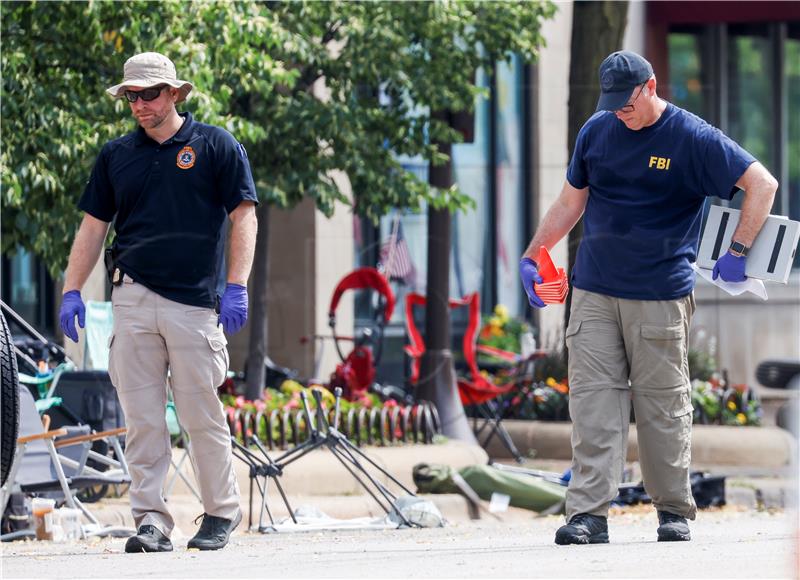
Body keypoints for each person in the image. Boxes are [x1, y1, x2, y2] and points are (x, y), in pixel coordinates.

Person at [519, 50, 777, 545]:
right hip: (593, 289)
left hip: (660, 294)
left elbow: (761, 185)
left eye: (627, 101)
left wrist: (738, 251)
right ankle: (588, 516)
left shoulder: (692, 138)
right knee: (593, 403)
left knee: (663, 405)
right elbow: (571, 200)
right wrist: (535, 255)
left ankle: (673, 510)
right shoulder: (597, 130)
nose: (620, 111)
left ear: (651, 85)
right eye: (612, 102)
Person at [59, 52, 258, 553]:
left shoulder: (215, 145)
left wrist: (237, 284)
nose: (140, 105)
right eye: (131, 96)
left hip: (192, 303)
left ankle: (219, 514)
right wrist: (71, 288)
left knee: (200, 415)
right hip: (132, 296)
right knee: (143, 419)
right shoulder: (116, 155)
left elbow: (244, 216)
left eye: (149, 94)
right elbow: (92, 228)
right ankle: (151, 521)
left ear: (174, 93)